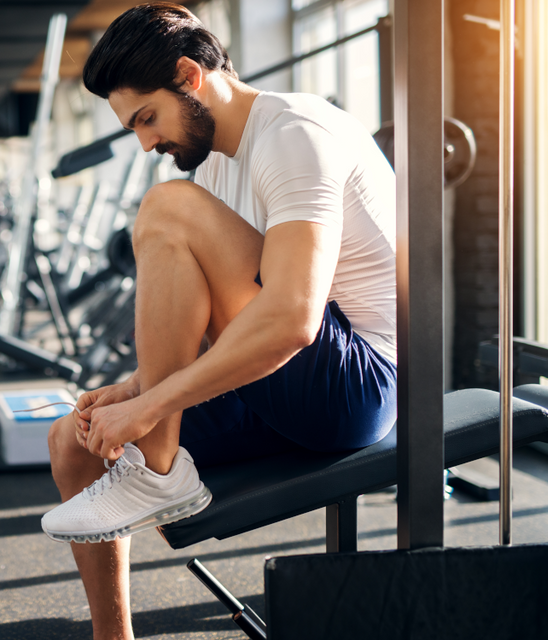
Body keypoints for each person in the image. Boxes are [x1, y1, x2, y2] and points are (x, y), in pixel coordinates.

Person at [42, 4, 397, 639]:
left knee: (165, 207)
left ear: (190, 74)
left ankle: (157, 474)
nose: (146, 142)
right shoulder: (214, 166)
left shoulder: (294, 133)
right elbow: (213, 323)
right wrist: (131, 392)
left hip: (360, 386)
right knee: (74, 441)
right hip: (282, 380)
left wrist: (150, 408)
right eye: (133, 128)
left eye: (147, 118)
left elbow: (291, 319)